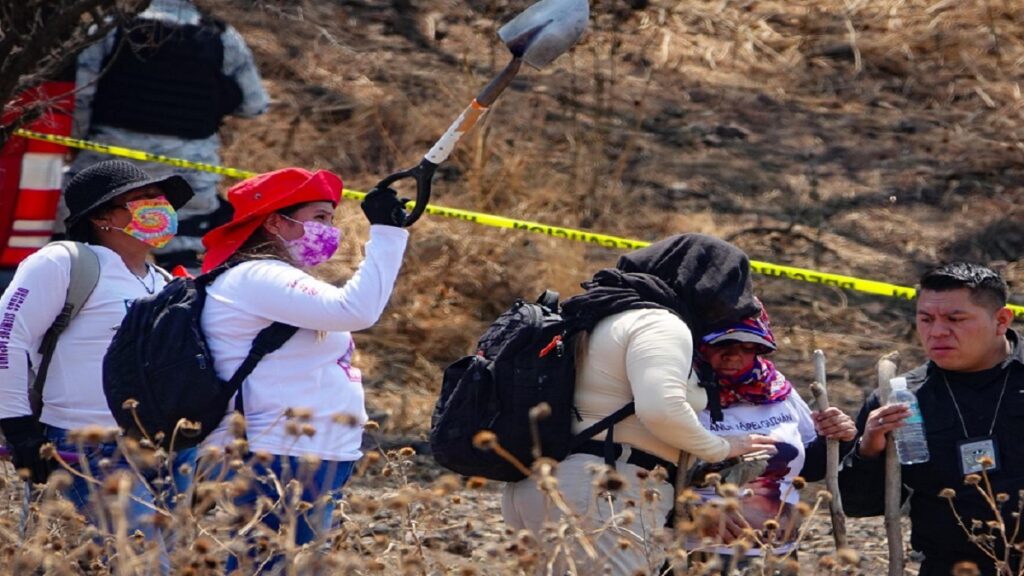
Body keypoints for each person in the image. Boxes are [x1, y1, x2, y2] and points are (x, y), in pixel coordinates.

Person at [501, 233, 780, 576]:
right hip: (602, 494)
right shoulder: (659, 323)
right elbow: (661, 409)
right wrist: (722, 448)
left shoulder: (601, 315)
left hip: (539, 486)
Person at [193, 167, 409, 571]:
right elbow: (356, 309)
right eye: (319, 218)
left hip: (302, 453)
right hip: (275, 454)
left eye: (331, 219)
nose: (330, 230)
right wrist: (387, 235)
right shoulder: (257, 276)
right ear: (275, 222)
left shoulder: (274, 279)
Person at [0, 159, 196, 523]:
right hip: (88, 448)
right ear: (100, 216)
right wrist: (17, 427)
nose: (160, 207)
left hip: (167, 451)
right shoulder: (66, 262)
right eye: (142, 198)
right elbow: (6, 335)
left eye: (161, 198)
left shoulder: (165, 281)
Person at [839, 263, 1023, 576]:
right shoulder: (899, 399)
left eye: (955, 319)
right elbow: (858, 505)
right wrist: (869, 449)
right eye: (926, 319)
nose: (937, 332)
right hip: (951, 567)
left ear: (1001, 320)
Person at [59, 0, 270, 272]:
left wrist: (76, 141)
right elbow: (255, 105)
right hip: (189, 171)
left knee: (79, 251)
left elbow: (78, 96)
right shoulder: (221, 37)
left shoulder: (110, 27)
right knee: (187, 263)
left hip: (107, 164)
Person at [685, 304, 856, 562]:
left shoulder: (776, 391)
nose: (734, 356)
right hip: (705, 555)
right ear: (701, 345)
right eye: (723, 345)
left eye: (747, 347)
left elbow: (809, 467)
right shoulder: (684, 395)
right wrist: (694, 511)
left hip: (779, 555)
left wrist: (838, 436)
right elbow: (655, 473)